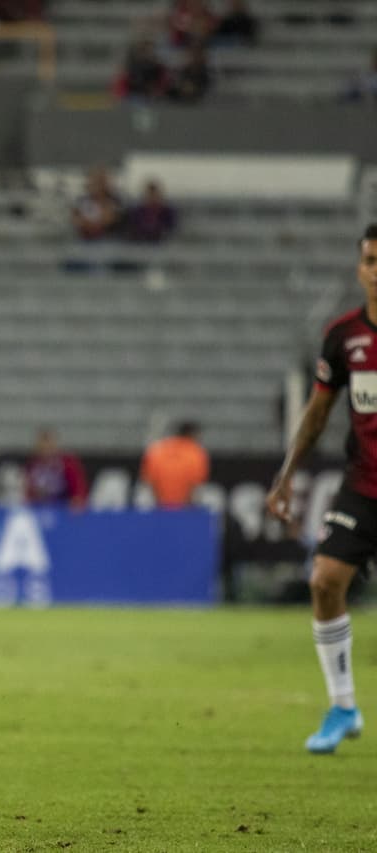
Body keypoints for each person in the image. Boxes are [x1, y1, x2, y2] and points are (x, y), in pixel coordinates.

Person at [266, 224, 377, 754]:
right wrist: (286, 476)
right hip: (364, 488)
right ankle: (343, 706)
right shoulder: (344, 336)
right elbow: (316, 416)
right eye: (371, 260)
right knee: (324, 581)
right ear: (360, 268)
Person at [139, 420, 209, 507]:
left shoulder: (157, 449)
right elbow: (196, 485)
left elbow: (149, 481)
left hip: (159, 507)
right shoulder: (196, 452)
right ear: (192, 434)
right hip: (184, 507)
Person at [22, 427, 87, 508]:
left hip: (64, 508)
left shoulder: (68, 464)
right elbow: (27, 492)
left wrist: (77, 500)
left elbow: (79, 490)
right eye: (42, 446)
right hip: (39, 508)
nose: (46, 448)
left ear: (55, 445)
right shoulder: (31, 466)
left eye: (49, 445)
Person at [124, 179, 178, 243]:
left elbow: (171, 229)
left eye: (154, 195)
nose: (152, 198)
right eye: (149, 195)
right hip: (140, 241)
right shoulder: (137, 211)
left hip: (160, 240)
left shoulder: (167, 212)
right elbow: (132, 227)